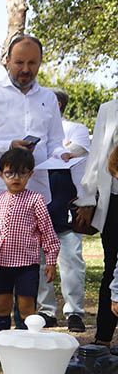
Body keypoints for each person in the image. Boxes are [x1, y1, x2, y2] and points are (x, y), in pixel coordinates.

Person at [0, 34, 64, 363]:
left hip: (37, 192)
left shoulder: (48, 98)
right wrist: (10, 145)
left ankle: (22, 338)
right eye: (19, 62)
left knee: (26, 267)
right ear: (6, 60)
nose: (25, 69)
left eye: (32, 63)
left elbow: (56, 142)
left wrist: (65, 155)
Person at [0, 148, 59, 332]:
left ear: (30, 174)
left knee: (27, 309)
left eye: (22, 173)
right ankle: (3, 343)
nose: (16, 178)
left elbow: (47, 232)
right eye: (9, 173)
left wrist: (51, 262)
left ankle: (26, 344)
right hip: (0, 264)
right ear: (1, 174)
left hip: (26, 265)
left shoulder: (36, 200)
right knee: (2, 306)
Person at [36, 88, 90, 332]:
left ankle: (74, 312)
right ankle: (46, 311)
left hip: (67, 202)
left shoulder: (75, 128)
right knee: (40, 260)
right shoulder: (37, 131)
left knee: (71, 260)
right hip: (41, 202)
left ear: (56, 104)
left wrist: (64, 151)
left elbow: (75, 151)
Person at [76, 92, 118, 345]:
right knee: (112, 268)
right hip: (114, 201)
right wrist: (88, 198)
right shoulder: (109, 109)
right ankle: (103, 338)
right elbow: (96, 158)